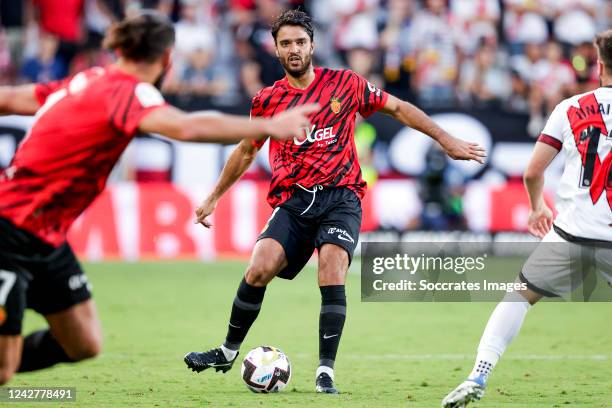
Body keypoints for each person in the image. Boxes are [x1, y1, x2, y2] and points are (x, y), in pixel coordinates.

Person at [0, 10, 317, 385]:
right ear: (167, 59)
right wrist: (269, 125)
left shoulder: (90, 79)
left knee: (84, 343)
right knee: (5, 368)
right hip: (9, 228)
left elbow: (10, 99)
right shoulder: (128, 92)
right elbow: (185, 126)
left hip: (46, 236)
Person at [184, 9, 485, 394]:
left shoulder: (345, 84)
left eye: (299, 42)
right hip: (294, 200)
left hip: (341, 197)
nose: (294, 49)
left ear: (313, 45)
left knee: (331, 268)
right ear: (276, 51)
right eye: (285, 43)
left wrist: (446, 140)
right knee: (259, 268)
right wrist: (213, 197)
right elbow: (245, 151)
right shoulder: (268, 100)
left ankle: (325, 372)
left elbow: (397, 107)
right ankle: (227, 351)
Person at [442, 29, 612, 407]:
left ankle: (479, 374)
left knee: (517, 297)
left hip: (572, 232)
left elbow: (533, 171)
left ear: (598, 65)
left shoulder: (570, 108)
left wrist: (538, 206)